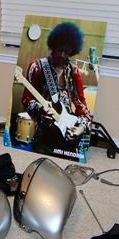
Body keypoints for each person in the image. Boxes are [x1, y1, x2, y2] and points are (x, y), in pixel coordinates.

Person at [22, 21, 93, 156]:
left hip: (67, 128)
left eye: (67, 52)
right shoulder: (37, 67)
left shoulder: (74, 72)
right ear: (53, 46)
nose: (62, 55)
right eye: (59, 50)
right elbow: (26, 99)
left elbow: (81, 106)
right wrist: (40, 108)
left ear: (72, 52)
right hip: (45, 131)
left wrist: (81, 128)